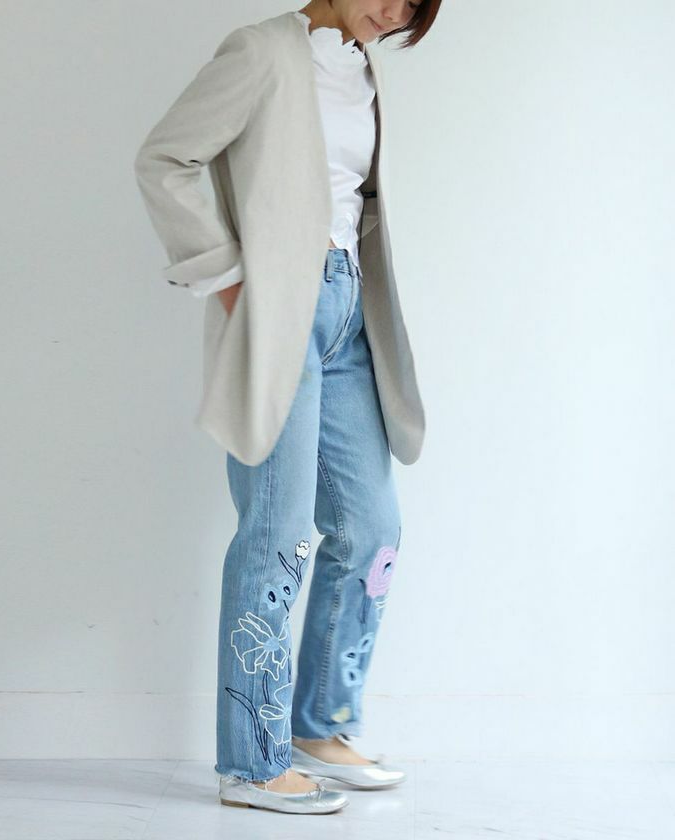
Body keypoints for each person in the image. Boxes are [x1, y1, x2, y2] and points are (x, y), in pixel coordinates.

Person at [134, 0, 441, 816]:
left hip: (351, 312)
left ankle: (319, 727)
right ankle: (252, 762)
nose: (397, 13)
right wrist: (230, 280)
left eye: (414, 5)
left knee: (371, 529)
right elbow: (165, 158)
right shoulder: (263, 52)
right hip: (282, 317)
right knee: (277, 536)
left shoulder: (362, 67)